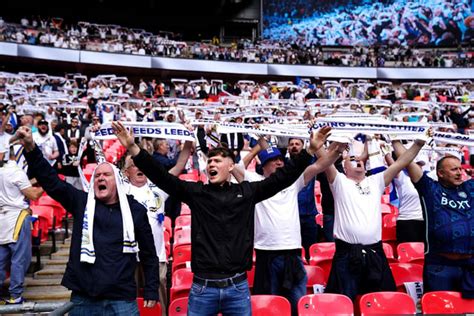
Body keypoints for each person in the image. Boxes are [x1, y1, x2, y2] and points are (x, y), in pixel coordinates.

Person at [112, 121, 328, 315]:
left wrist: (309, 150)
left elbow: (283, 178)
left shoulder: (247, 193)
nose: (211, 165)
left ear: (231, 166)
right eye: (210, 162)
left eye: (217, 161)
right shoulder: (197, 194)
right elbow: (162, 177)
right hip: (202, 288)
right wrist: (133, 148)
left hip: (237, 287)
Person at [16, 126, 159, 315]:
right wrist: (31, 148)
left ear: (117, 181)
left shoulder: (136, 210)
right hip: (84, 298)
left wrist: (150, 288)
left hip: (122, 299)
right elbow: (51, 182)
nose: (100, 177)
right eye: (97, 175)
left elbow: (148, 253)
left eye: (106, 175)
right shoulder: (82, 203)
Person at [232, 136, 344, 315]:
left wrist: (339, 149)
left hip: (292, 253)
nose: (277, 163)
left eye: (279, 160)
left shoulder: (293, 182)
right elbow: (235, 168)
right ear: (264, 165)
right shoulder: (254, 181)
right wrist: (257, 149)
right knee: (269, 307)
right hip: (266, 253)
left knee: (297, 306)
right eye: (271, 160)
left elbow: (320, 165)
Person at [316, 134, 428, 301]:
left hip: (375, 254)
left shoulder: (376, 181)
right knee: (344, 302)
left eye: (362, 158)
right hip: (346, 254)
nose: (359, 160)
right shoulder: (339, 181)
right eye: (352, 158)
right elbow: (324, 159)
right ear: (344, 166)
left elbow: (401, 162)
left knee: (382, 301)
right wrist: (317, 143)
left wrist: (418, 144)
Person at [392, 141, 474, 298]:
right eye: (454, 169)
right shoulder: (430, 189)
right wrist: (395, 138)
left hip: (470, 265)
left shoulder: (470, 188)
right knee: (439, 310)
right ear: (441, 173)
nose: (459, 173)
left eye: (460, 169)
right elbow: (407, 162)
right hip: (440, 265)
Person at [123, 140, 192, 316]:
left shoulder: (158, 188)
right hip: (127, 257)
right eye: (133, 164)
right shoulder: (120, 192)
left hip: (156, 258)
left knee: (156, 303)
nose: (138, 167)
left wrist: (189, 140)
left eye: (140, 163)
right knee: (129, 302)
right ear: (126, 172)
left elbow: (180, 165)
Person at [0, 144, 43, 304]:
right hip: (16, 216)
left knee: (1, 257)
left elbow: (17, 185)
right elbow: (32, 194)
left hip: (2, 217)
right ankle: (15, 295)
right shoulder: (15, 170)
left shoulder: (4, 170)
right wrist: (47, 184)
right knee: (19, 258)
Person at [384, 151, 424, 242]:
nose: (419, 167)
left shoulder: (426, 180)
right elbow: (392, 165)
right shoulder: (402, 177)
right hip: (407, 221)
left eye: (420, 165)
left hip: (424, 221)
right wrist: (386, 151)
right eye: (417, 164)